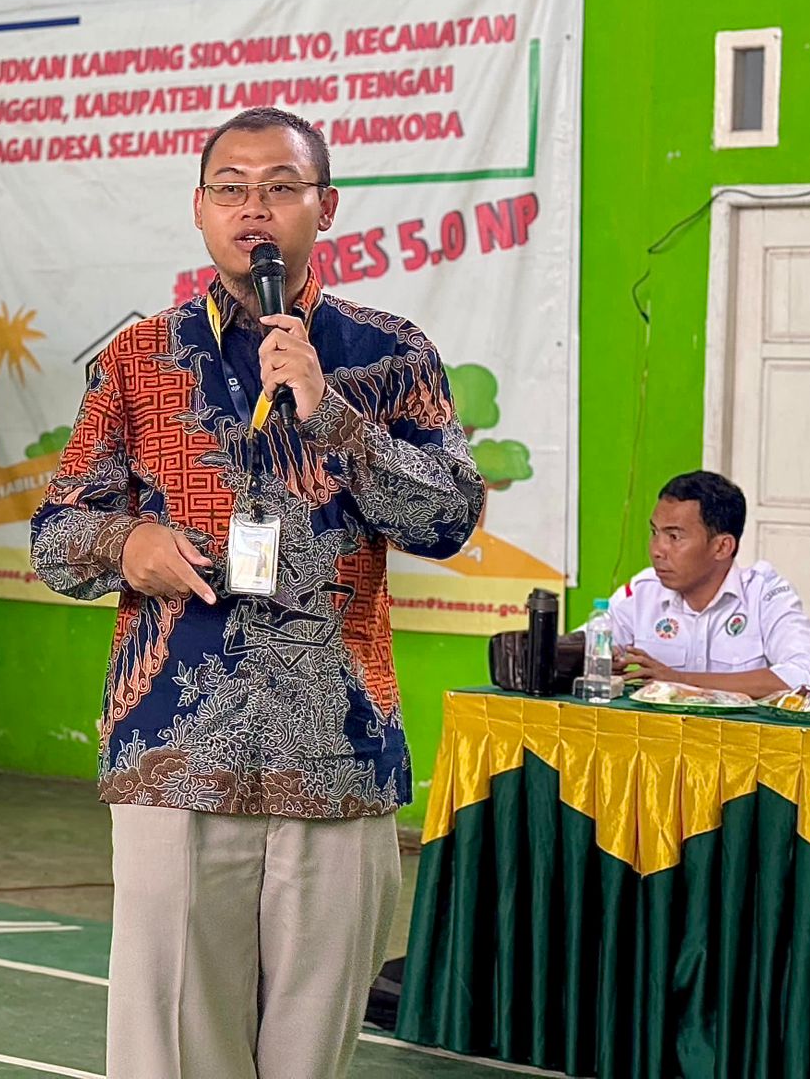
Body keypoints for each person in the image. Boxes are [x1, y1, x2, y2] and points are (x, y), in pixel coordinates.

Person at [29, 106, 484, 1079]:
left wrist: (332, 412)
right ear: (199, 210)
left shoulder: (391, 353)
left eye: (280, 188)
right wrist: (129, 542)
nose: (254, 210)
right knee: (171, 1051)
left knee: (308, 1058)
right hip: (177, 750)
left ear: (325, 206)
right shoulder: (138, 357)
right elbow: (56, 537)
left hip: (338, 753)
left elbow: (448, 519)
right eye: (230, 189)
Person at [610, 470, 810, 696]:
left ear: (722, 547)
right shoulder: (643, 591)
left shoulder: (765, 594)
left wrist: (681, 680)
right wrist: (599, 657)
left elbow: (803, 676)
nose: (656, 550)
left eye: (674, 537)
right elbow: (589, 644)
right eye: (654, 532)